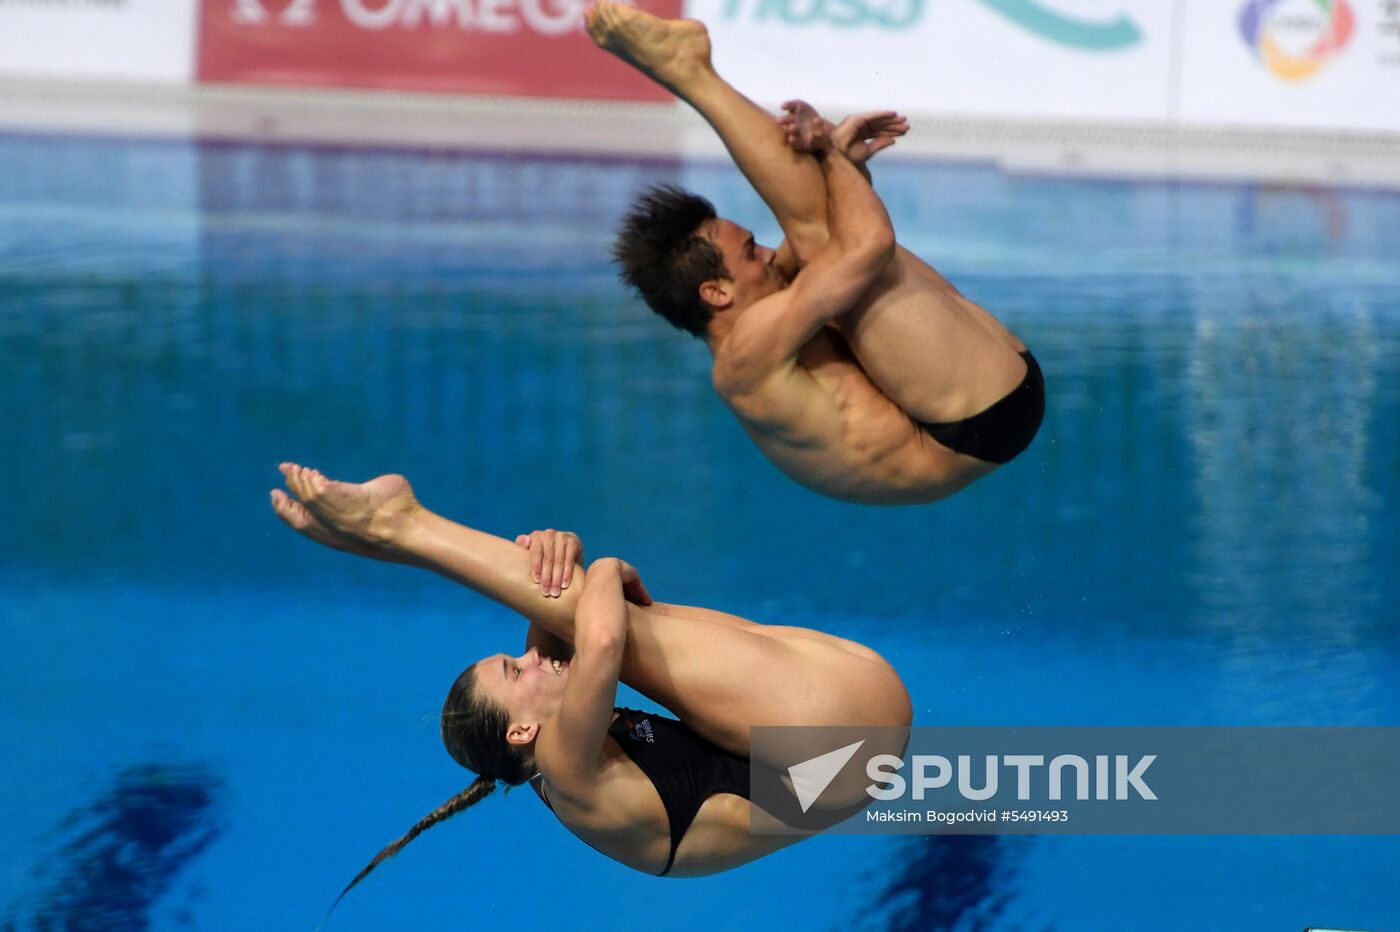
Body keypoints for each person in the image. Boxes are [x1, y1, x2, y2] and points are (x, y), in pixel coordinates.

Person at [268, 463, 911, 896]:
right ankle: (401, 525)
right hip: (839, 742)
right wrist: (604, 565)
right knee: (605, 619)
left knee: (575, 599)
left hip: (841, 739)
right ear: (522, 728)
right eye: (516, 671)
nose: (534, 661)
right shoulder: (567, 768)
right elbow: (598, 637)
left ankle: (392, 538)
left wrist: (560, 544)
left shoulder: (549, 740)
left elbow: (545, 591)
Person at [587, 1, 1044, 505]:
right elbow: (866, 246)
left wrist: (842, 167)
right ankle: (689, 73)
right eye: (750, 252)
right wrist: (827, 152)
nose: (766, 254)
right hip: (972, 423)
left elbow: (836, 233)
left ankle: (690, 72)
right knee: (821, 239)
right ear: (716, 292)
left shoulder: (760, 314)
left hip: (976, 404)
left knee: (819, 232)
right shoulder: (747, 353)